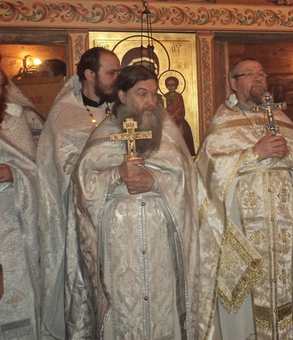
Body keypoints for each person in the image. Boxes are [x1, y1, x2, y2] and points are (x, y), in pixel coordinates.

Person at [195, 58, 293, 340]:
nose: (258, 78)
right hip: (243, 234)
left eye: (262, 73)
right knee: (246, 307)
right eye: (249, 74)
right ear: (233, 83)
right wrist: (253, 154)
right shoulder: (223, 123)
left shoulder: (281, 119)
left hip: (287, 234)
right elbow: (208, 171)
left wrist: (291, 154)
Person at [65, 65, 200, 338]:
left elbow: (188, 181)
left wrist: (155, 181)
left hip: (161, 244)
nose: (151, 102)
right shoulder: (104, 134)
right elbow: (82, 187)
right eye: (142, 94)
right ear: (122, 95)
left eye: (154, 94)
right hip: (118, 247)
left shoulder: (167, 131)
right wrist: (117, 173)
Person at [36, 46, 120, 339]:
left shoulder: (120, 109)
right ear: (89, 74)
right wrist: (102, 171)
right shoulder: (65, 114)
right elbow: (60, 168)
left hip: (117, 215)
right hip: (80, 217)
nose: (117, 78)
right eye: (111, 72)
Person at [0, 68, 40, 338]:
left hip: (12, 223)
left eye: (1, 85)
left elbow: (38, 172)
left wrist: (15, 173)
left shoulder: (17, 121)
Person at [164, 75, 195, 155]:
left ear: (176, 86)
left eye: (173, 85)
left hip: (178, 119)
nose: (171, 87)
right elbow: (163, 108)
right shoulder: (164, 97)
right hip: (167, 119)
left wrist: (174, 116)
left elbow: (181, 109)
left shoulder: (178, 96)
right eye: (169, 85)